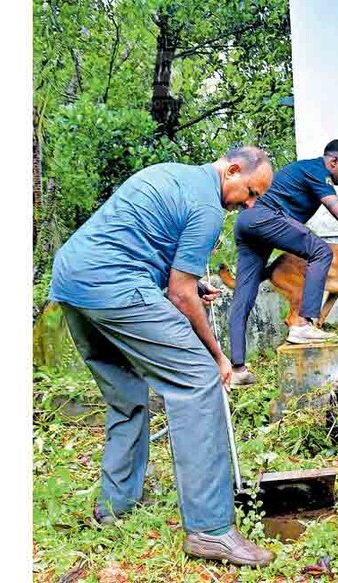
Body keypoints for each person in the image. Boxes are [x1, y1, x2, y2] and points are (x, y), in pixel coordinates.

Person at [48, 146, 276, 567]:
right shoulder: (207, 207)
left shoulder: (171, 174)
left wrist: (189, 287)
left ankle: (114, 507)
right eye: (250, 192)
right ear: (232, 170)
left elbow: (142, 245)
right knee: (196, 380)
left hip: (73, 281)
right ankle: (210, 529)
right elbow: (180, 293)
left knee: (126, 393)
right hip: (113, 284)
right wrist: (219, 356)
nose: (248, 203)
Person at [227, 139, 338, 386]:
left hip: (247, 222)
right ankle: (302, 323)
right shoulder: (317, 171)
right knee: (321, 251)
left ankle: (237, 369)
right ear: (333, 161)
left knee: (243, 295)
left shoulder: (307, 171)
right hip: (266, 218)